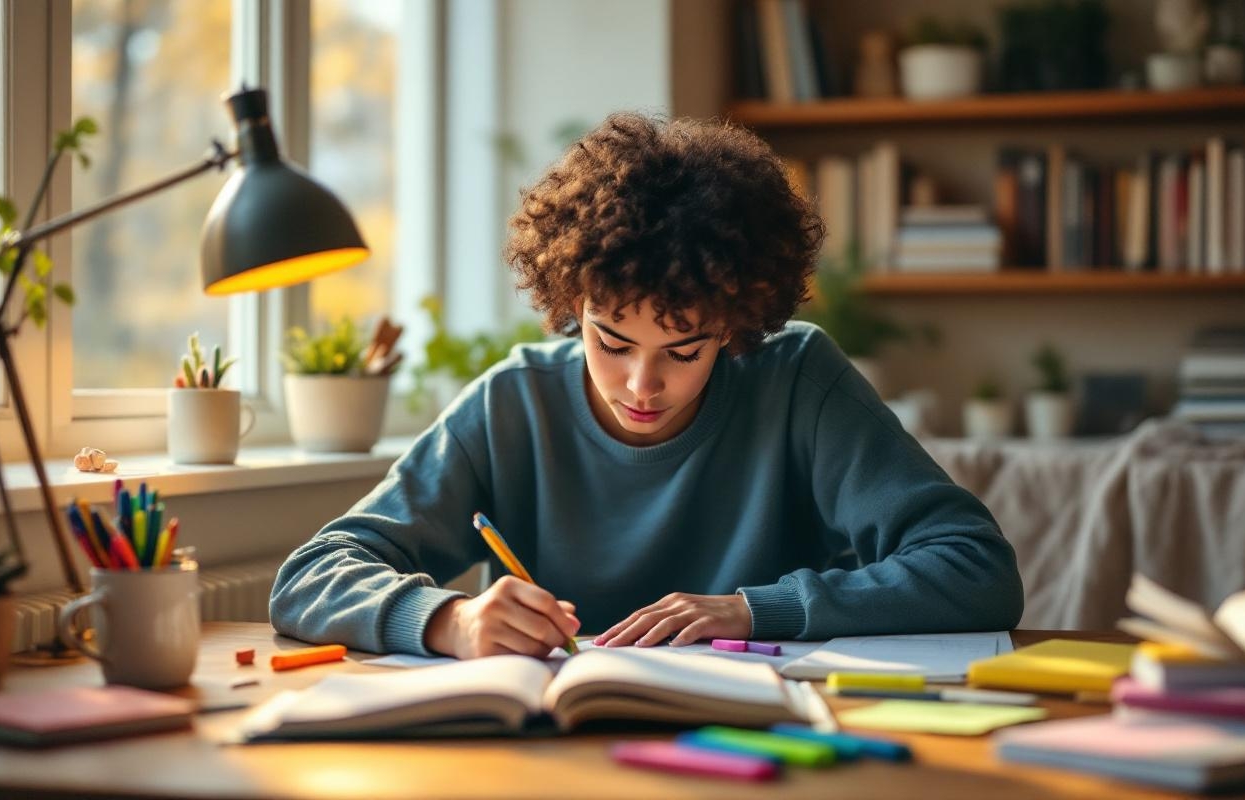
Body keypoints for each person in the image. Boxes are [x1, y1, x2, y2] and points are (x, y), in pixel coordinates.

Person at [270, 113, 1023, 660]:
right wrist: (448, 620)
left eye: (685, 349)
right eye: (612, 340)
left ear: (733, 325)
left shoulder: (796, 378)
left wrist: (755, 610)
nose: (642, 384)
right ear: (572, 305)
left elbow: (976, 569)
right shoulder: (513, 403)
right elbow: (309, 575)